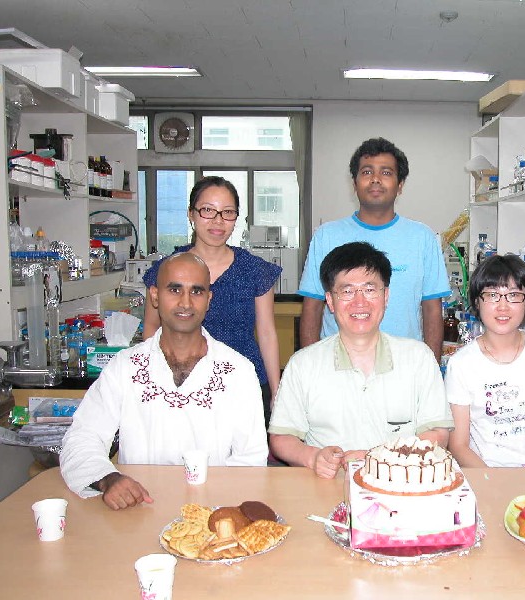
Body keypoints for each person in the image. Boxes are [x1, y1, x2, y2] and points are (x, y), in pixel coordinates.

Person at [61, 253, 268, 510]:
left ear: (208, 300)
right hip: (138, 510)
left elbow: (251, 460)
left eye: (196, 291)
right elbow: (83, 437)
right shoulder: (125, 367)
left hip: (212, 512)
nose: (186, 303)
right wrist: (108, 479)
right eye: (174, 289)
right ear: (155, 296)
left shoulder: (238, 372)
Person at [269, 242, 453, 479]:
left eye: (369, 290)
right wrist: (313, 457)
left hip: (398, 484)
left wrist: (380, 459)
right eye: (347, 291)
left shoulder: (419, 358)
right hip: (326, 485)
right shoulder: (303, 364)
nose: (359, 302)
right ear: (330, 301)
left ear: (386, 296)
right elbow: (282, 438)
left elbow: (437, 434)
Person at [143, 175, 281, 426]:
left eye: (227, 212)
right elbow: (151, 328)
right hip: (181, 383)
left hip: (244, 386)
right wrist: (153, 380)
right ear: (191, 214)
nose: (218, 221)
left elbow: (267, 332)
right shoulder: (167, 269)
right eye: (208, 210)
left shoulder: (255, 270)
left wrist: (276, 392)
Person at [298, 137, 450, 362]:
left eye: (386, 172)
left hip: (405, 365)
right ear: (354, 183)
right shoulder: (326, 236)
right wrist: (310, 367)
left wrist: (431, 369)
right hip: (338, 366)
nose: (376, 179)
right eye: (367, 172)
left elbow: (432, 310)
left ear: (400, 185)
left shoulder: (423, 238)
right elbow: (312, 308)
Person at [445, 254, 525, 468]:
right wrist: (493, 482)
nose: (503, 306)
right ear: (477, 301)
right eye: (492, 295)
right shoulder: (460, 364)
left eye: (514, 295)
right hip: (487, 476)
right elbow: (458, 445)